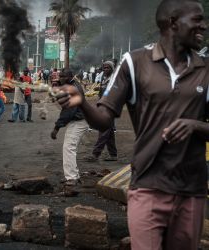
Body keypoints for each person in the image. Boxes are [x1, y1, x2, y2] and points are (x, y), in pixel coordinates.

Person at [55, 0, 208, 249]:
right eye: (197, 20)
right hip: (147, 186)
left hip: (192, 189)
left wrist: (195, 126)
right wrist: (82, 103)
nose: (203, 26)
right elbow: (105, 119)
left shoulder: (206, 69)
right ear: (172, 22)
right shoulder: (134, 63)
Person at [51, 69, 88, 190]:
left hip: (79, 121)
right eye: (60, 76)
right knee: (70, 147)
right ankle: (74, 175)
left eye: (64, 76)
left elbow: (68, 111)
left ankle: (71, 178)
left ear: (71, 76)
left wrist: (57, 128)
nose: (61, 78)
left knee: (69, 148)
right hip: (79, 119)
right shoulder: (72, 85)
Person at [85, 61, 118, 162]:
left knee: (104, 130)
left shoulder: (114, 80)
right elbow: (101, 94)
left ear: (112, 69)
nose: (105, 69)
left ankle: (95, 154)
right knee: (110, 132)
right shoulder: (104, 79)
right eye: (104, 68)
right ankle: (113, 155)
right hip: (103, 106)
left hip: (110, 108)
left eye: (108, 68)